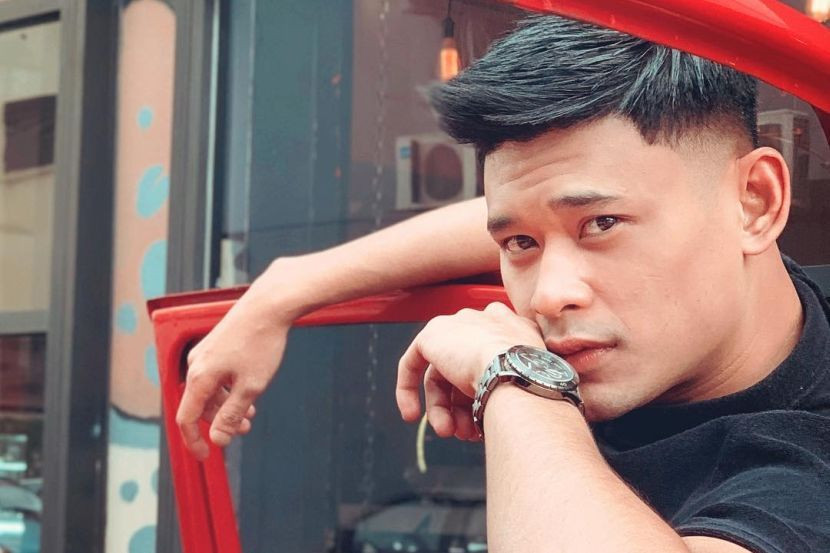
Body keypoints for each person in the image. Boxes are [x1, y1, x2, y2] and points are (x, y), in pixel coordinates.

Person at [179, 14, 830, 553]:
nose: (547, 294)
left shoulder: (804, 465)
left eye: (601, 224)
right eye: (520, 244)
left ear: (755, 203)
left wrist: (516, 379)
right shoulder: (689, 264)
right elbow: (528, 211)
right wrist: (281, 291)